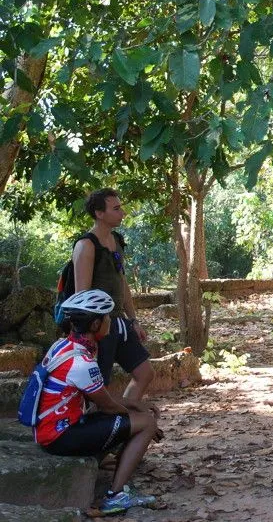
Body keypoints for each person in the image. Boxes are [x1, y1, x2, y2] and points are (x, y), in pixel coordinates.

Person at [35, 289, 161, 514]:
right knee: (147, 424)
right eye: (106, 317)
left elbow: (101, 398)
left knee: (136, 418)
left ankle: (114, 469)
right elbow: (108, 405)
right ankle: (116, 495)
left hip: (51, 430)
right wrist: (140, 417)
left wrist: (136, 406)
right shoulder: (83, 362)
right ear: (95, 325)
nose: (110, 322)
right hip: (61, 437)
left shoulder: (62, 347)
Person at [73, 188, 152, 402]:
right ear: (99, 213)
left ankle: (125, 420)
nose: (123, 213)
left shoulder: (117, 241)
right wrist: (93, 334)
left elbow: (122, 281)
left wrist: (133, 320)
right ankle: (101, 430)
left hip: (119, 323)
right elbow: (82, 297)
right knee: (99, 387)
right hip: (98, 327)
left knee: (144, 373)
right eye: (116, 209)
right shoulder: (86, 246)